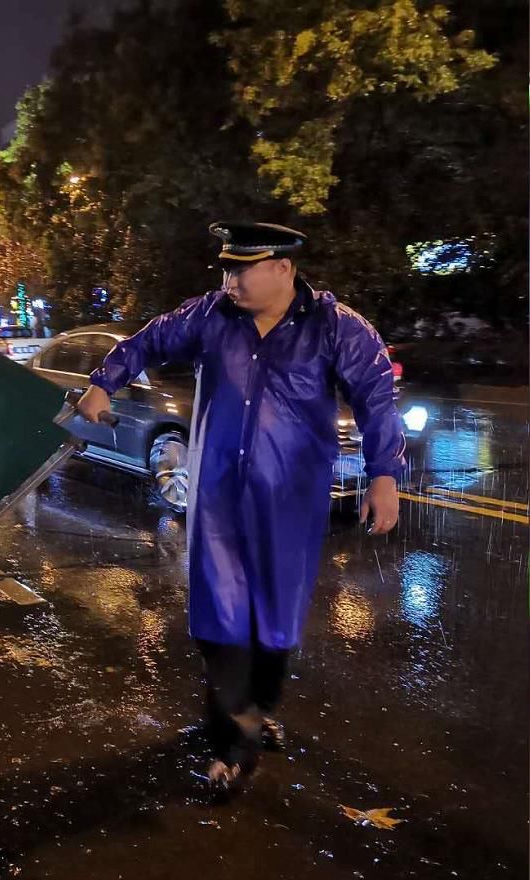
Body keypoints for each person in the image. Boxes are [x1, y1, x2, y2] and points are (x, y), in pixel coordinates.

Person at [77, 221, 404, 797]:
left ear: (282, 268)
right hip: (219, 494)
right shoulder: (209, 317)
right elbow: (150, 339)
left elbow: (376, 398)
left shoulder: (336, 327)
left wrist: (384, 475)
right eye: (226, 268)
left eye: (241, 268)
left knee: (277, 619)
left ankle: (260, 705)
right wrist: (104, 380)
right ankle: (231, 743)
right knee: (220, 615)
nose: (229, 280)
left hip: (291, 498)